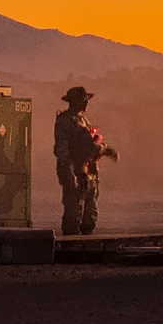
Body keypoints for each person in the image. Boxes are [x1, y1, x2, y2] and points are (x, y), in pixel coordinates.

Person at [53, 86, 118, 236]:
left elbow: (89, 145)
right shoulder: (65, 121)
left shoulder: (83, 121)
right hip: (73, 168)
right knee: (74, 206)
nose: (87, 103)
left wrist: (102, 149)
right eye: (84, 100)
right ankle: (71, 238)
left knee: (90, 208)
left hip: (87, 168)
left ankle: (86, 235)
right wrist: (70, 172)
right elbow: (63, 149)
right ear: (75, 102)